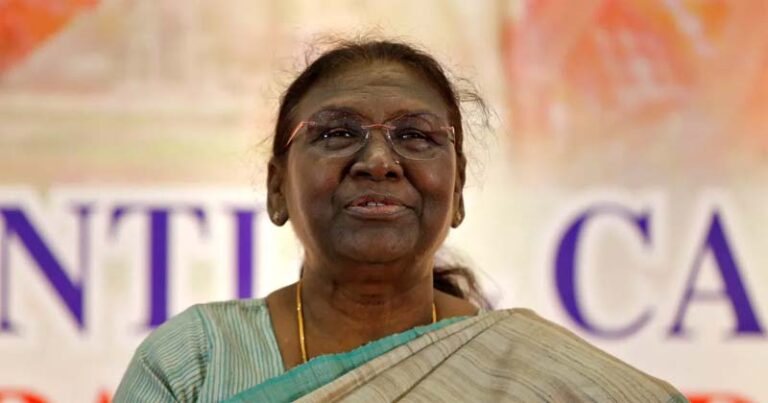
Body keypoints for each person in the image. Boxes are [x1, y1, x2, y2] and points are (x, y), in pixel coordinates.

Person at [113, 39, 687, 402]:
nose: (379, 162)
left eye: (415, 136)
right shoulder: (196, 359)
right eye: (337, 133)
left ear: (456, 192)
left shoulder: (536, 377)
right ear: (276, 188)